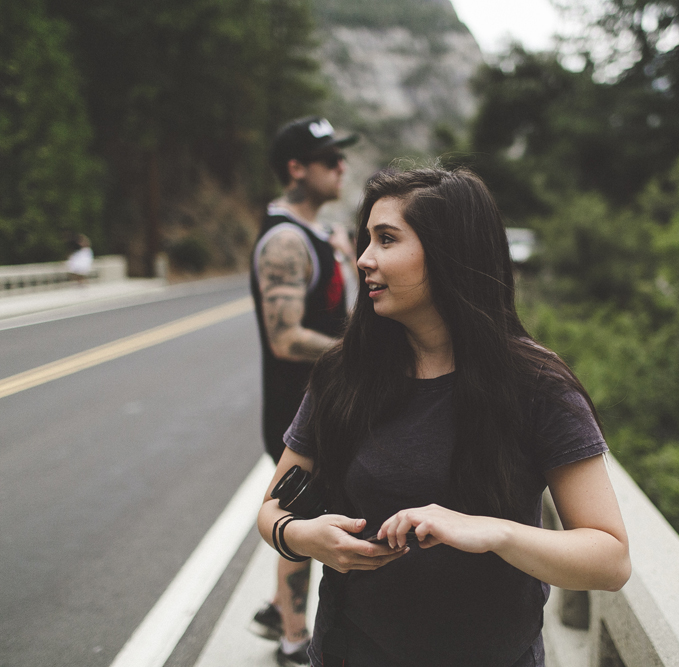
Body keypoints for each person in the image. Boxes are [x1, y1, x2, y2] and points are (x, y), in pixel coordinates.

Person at [257, 167, 631, 667]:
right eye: (365, 239)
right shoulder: (343, 375)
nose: (364, 259)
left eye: (386, 239)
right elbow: (271, 510)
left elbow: (610, 559)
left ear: (449, 252)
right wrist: (304, 537)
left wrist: (495, 532)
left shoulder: (537, 385)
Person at [249, 116, 358, 665]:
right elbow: (286, 337)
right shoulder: (286, 241)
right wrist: (363, 353)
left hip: (324, 407)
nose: (342, 166)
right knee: (302, 519)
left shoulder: (316, 235)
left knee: (314, 514)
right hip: (298, 414)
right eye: (329, 158)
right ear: (296, 169)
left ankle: (276, 607)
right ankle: (294, 639)